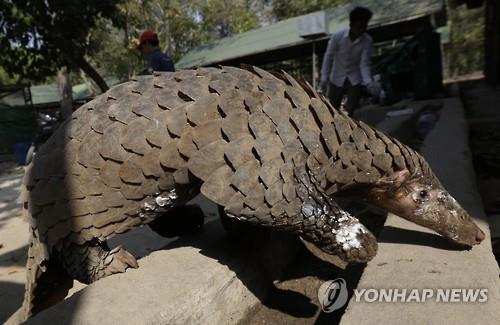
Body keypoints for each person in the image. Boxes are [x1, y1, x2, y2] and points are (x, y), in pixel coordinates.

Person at [320, 7, 374, 115]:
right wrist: (324, 78)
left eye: (364, 27)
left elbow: (364, 64)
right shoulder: (337, 37)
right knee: (332, 108)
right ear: (351, 25)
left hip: (354, 78)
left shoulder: (367, 41)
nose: (361, 31)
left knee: (351, 109)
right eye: (359, 27)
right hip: (336, 76)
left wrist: (369, 83)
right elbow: (328, 57)